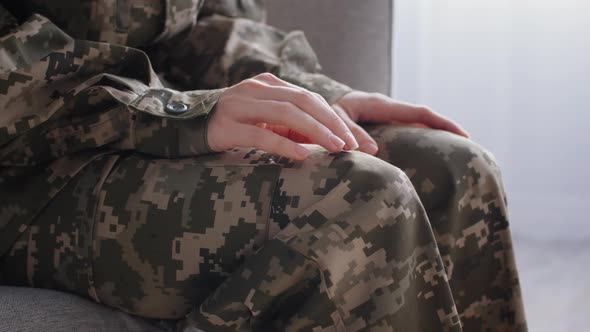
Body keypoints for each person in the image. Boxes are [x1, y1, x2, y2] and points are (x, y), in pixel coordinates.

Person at [0, 0, 527, 331]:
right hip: (24, 173)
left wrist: (312, 94)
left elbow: (200, 23)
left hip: (136, 130)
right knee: (357, 195)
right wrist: (180, 112)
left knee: (455, 169)